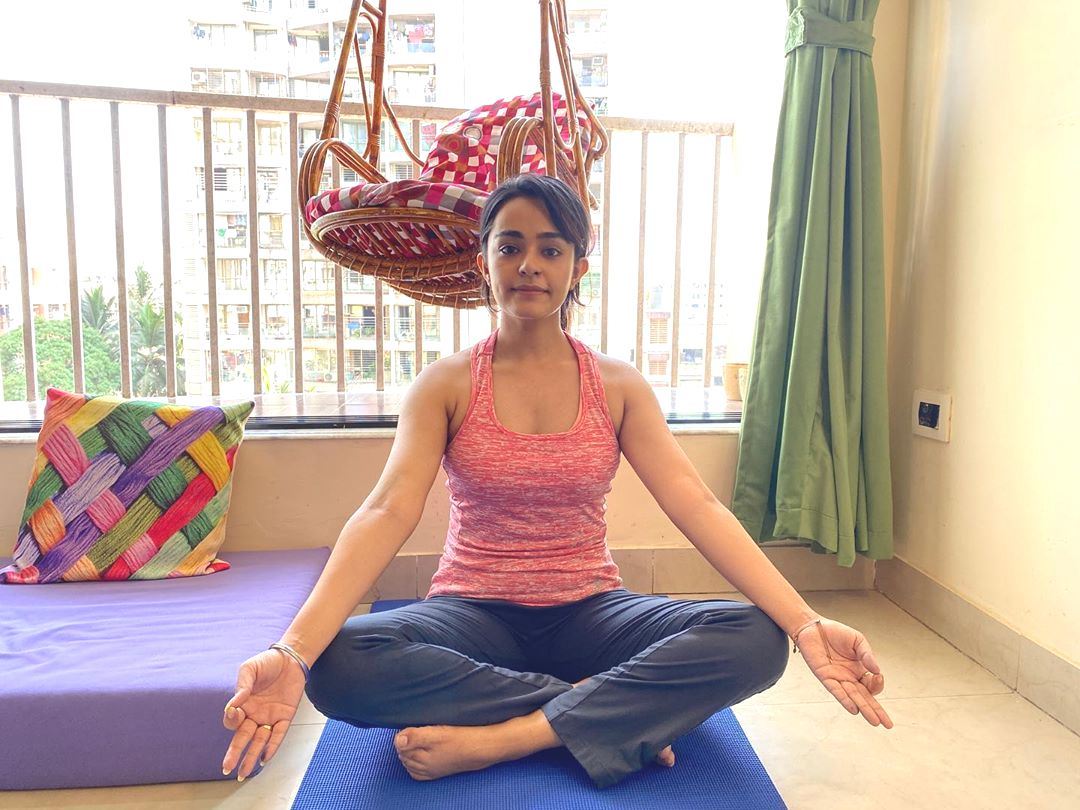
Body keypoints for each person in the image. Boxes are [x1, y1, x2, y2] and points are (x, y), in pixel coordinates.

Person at [220, 173, 893, 788]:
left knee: (755, 638)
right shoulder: (445, 383)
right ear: (483, 262)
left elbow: (696, 503)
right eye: (510, 246)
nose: (529, 264)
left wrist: (805, 623)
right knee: (340, 664)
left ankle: (512, 736)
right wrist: (293, 652)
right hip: (474, 612)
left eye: (550, 248)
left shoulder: (618, 385)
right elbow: (386, 511)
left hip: (591, 611)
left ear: (577, 268)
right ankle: (603, 712)